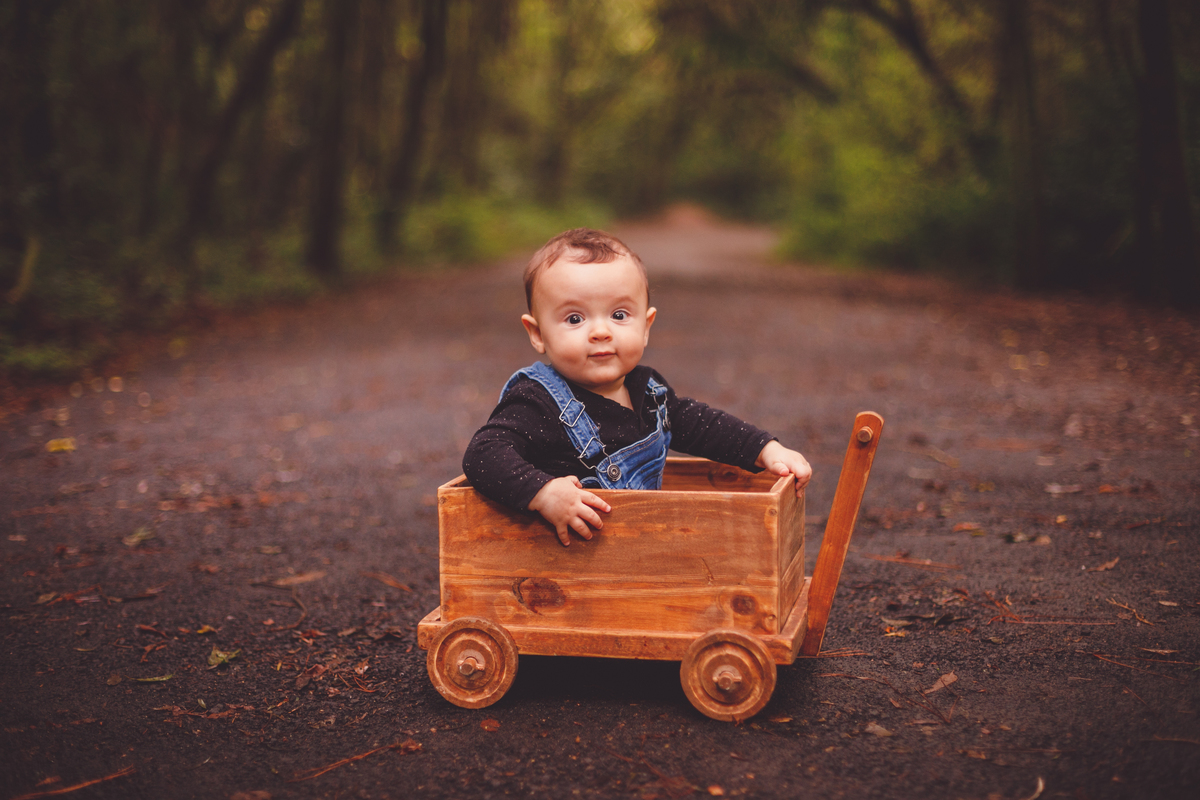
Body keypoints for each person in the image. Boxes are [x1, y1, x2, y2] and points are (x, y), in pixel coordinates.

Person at [463, 228, 811, 546]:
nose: (601, 331)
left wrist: (766, 449)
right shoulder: (537, 403)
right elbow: (483, 454)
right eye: (574, 319)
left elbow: (703, 426)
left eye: (618, 315)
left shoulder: (649, 391)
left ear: (646, 326)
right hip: (566, 571)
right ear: (537, 333)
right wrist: (543, 492)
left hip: (639, 558)